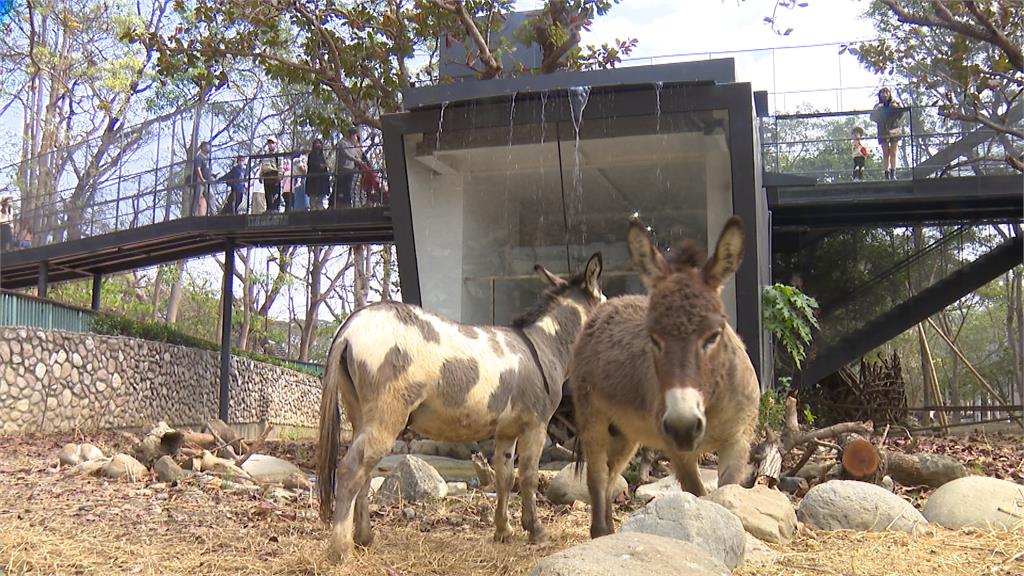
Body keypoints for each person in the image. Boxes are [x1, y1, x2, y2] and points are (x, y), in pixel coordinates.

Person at [870, 87, 903, 180]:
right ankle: (886, 173)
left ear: (889, 93)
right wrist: (877, 110)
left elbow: (900, 114)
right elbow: (872, 117)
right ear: (880, 94)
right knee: (885, 153)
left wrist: (896, 107)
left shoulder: (894, 103)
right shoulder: (878, 105)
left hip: (894, 129)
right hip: (883, 130)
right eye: (882, 92)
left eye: (886, 92)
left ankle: (893, 172)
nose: (884, 94)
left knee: (893, 152)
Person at [331, 131, 361, 209]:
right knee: (340, 188)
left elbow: (355, 155)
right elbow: (346, 153)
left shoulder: (352, 145)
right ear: (351, 135)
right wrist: (355, 160)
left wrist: (360, 161)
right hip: (343, 170)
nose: (356, 138)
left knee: (348, 188)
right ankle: (335, 205)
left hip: (350, 170)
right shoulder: (342, 143)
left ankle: (347, 204)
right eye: (355, 136)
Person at [305, 138, 331, 210]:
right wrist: (319, 166)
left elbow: (325, 166)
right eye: (316, 143)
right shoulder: (311, 155)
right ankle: (313, 210)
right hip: (313, 179)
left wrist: (324, 167)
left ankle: (319, 210)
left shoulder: (322, 155)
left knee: (320, 199)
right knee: (313, 199)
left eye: (319, 143)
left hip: (321, 179)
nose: (318, 145)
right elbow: (311, 165)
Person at [260, 136, 283, 211]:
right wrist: (261, 175)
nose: (270, 145)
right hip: (267, 175)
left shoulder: (278, 153)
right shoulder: (265, 154)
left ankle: (275, 208)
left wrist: (280, 175)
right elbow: (262, 165)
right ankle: (269, 209)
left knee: (275, 193)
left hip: (274, 174)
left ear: (275, 144)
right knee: (267, 193)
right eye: (269, 143)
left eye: (272, 143)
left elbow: (280, 165)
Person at [191, 141, 213, 215]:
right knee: (198, 197)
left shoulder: (207, 159)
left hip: (207, 181)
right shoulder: (199, 157)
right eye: (207, 146)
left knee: (211, 196)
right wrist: (202, 178)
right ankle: (194, 213)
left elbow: (207, 170)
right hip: (201, 181)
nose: (209, 148)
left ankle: (212, 213)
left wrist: (212, 176)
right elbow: (198, 169)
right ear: (203, 147)